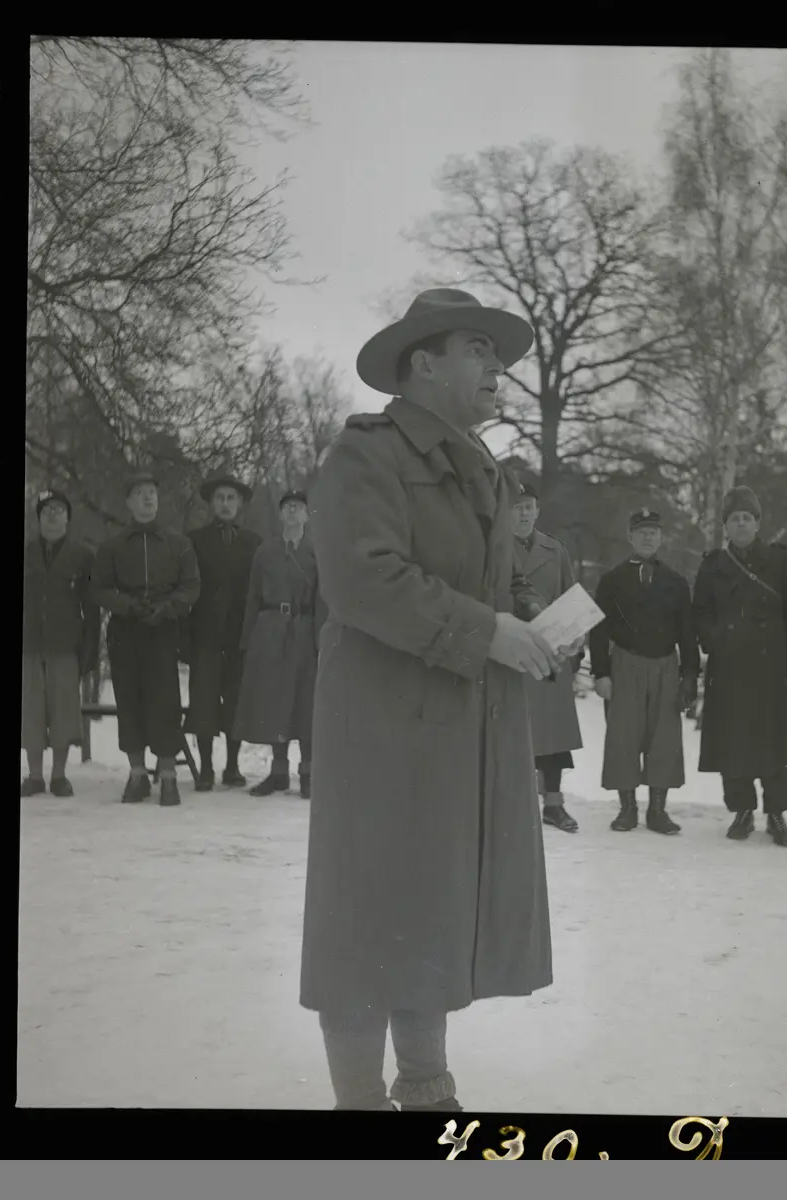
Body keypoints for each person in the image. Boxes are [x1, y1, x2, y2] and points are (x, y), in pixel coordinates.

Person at [301, 287, 577, 1113]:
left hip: (458, 726)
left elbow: (479, 589)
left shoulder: (481, 467)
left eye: (497, 353)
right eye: (476, 349)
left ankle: (424, 1086)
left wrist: (536, 628)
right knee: (365, 918)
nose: (496, 367)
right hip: (380, 730)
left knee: (431, 907)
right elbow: (364, 580)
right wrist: (487, 632)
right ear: (422, 363)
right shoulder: (366, 454)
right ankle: (358, 1102)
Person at [691, 486, 787, 847]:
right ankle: (742, 810)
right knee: (733, 743)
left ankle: (776, 814)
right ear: (725, 526)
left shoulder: (779, 560)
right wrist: (715, 640)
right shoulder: (713, 565)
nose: (741, 524)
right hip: (729, 669)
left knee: (776, 744)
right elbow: (700, 614)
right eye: (734, 519)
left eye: (747, 518)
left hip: (772, 669)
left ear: (757, 524)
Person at [90, 472, 201, 806]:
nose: (147, 498)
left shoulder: (178, 544)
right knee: (129, 700)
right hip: (126, 631)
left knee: (165, 702)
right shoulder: (112, 547)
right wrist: (129, 606)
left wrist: (167, 609)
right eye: (140, 492)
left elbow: (191, 586)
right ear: (129, 502)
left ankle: (168, 776)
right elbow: (99, 588)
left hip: (163, 630)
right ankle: (137, 774)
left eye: (151, 492)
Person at [589, 509, 699, 835]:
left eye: (653, 531)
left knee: (663, 738)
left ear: (661, 537)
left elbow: (687, 633)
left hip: (666, 666)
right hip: (626, 664)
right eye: (642, 531)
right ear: (630, 536)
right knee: (623, 736)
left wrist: (689, 675)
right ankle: (627, 809)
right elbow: (599, 631)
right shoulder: (612, 581)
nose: (648, 536)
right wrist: (601, 673)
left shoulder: (676, 583)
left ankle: (657, 810)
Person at [233, 490, 325, 799]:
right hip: (270, 629)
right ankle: (278, 771)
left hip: (305, 629)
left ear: (307, 514)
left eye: (298, 507)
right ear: (280, 513)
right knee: (275, 701)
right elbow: (252, 596)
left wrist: (320, 640)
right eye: (287, 507)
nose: (292, 512)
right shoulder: (265, 552)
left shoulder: (317, 551)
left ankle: (308, 772)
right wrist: (249, 639)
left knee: (305, 701)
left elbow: (324, 599)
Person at [511, 481, 585, 834]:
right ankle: (514, 806)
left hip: (551, 654)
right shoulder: (494, 549)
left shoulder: (555, 550)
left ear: (538, 510)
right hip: (511, 652)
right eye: (517, 507)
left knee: (552, 736)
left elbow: (572, 598)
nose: (524, 513)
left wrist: (576, 642)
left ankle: (554, 805)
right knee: (513, 733)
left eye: (529, 506)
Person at [183, 475, 263, 791]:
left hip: (239, 638)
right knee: (203, 702)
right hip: (204, 636)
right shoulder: (194, 541)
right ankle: (205, 768)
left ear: (240, 504)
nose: (226, 504)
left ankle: (232, 766)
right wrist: (185, 639)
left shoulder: (254, 543)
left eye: (231, 498)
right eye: (220, 498)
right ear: (211, 504)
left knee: (235, 702)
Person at [21, 491, 100, 797]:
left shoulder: (83, 556)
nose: (52, 515)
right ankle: (34, 776)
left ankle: (58, 775)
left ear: (68, 518)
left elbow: (92, 608)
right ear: (38, 519)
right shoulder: (26, 552)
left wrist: (90, 649)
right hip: (29, 645)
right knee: (31, 711)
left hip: (66, 646)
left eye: (58, 510)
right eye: (46, 511)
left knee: (63, 712)